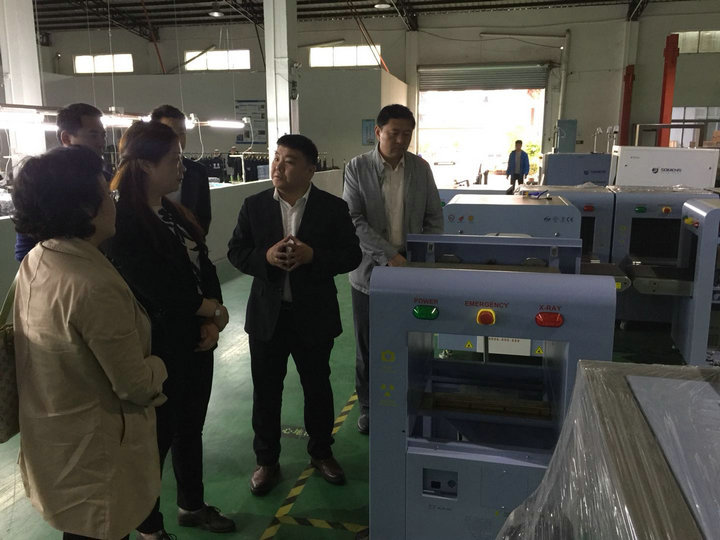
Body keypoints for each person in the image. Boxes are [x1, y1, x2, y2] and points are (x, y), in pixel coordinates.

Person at [11, 145, 168, 540]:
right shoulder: (92, 285)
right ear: (85, 208)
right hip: (97, 453)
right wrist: (161, 365)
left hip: (56, 438)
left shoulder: (38, 260)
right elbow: (134, 384)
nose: (114, 202)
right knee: (99, 528)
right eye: (107, 194)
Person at [104, 122, 234, 538]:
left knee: (190, 428)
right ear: (145, 165)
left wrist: (212, 320)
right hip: (160, 346)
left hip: (196, 340)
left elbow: (204, 267)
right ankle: (149, 525)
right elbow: (151, 286)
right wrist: (209, 310)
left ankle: (191, 505)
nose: (182, 167)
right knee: (155, 439)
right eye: (174, 160)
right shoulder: (123, 221)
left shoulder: (175, 212)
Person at [227, 134, 361, 495]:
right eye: (276, 158)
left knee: (317, 386)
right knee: (266, 391)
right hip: (267, 317)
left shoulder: (332, 208)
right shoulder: (254, 206)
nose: (278, 166)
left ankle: (321, 453)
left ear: (309, 170)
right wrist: (265, 258)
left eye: (288, 161)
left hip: (313, 315)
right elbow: (236, 251)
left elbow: (352, 255)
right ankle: (266, 461)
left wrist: (314, 256)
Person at [343, 104, 443, 434]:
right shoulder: (357, 168)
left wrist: (419, 258)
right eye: (394, 133)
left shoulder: (420, 169)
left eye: (407, 134)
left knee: (412, 339)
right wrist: (388, 256)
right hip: (368, 272)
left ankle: (410, 398)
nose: (401, 140)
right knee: (369, 345)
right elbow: (353, 219)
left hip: (412, 269)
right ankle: (369, 406)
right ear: (378, 132)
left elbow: (434, 217)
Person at [15, 102, 109, 261]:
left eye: (103, 135)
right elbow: (25, 250)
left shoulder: (106, 179)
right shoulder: (43, 184)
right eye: (93, 135)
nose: (101, 143)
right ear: (66, 138)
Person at [150, 104, 212, 235]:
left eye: (182, 133)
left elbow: (203, 216)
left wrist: (194, 241)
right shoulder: (144, 170)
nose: (177, 139)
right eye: (170, 133)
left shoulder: (197, 171)